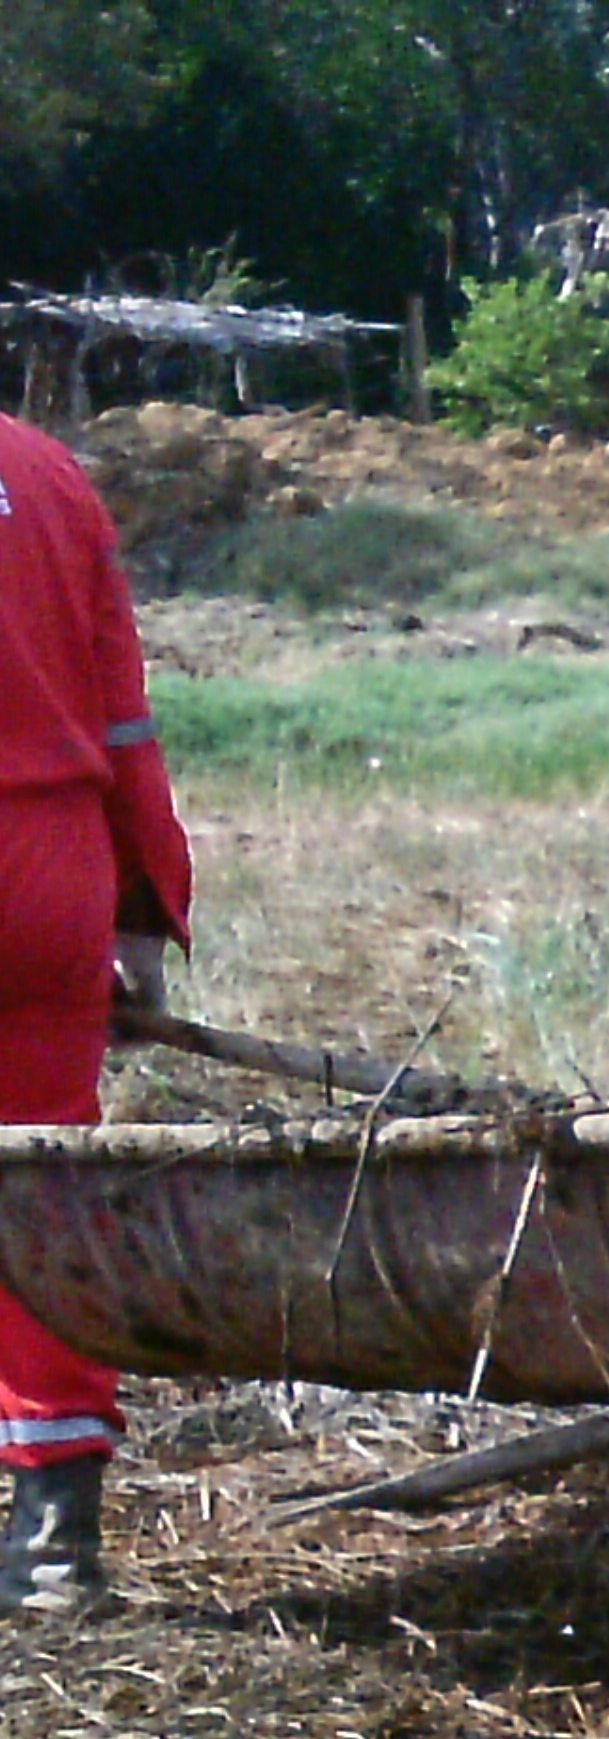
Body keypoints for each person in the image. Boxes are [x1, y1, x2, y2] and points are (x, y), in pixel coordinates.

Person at [0, 409, 191, 1615]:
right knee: (42, 1194)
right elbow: (123, 708)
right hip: (48, 867)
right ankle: (57, 1543)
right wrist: (138, 902)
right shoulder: (50, 474)